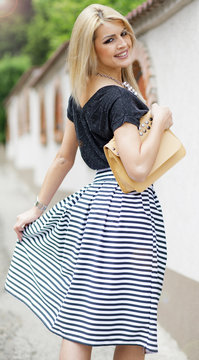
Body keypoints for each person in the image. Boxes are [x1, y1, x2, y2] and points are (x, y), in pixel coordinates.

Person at [5, 4, 173, 360]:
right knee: (134, 314)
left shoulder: (80, 93)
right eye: (108, 40)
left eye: (123, 33)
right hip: (128, 208)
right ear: (90, 48)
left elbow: (64, 158)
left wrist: (38, 208)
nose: (122, 44)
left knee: (84, 314)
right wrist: (159, 118)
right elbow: (138, 168)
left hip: (97, 204)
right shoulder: (118, 98)